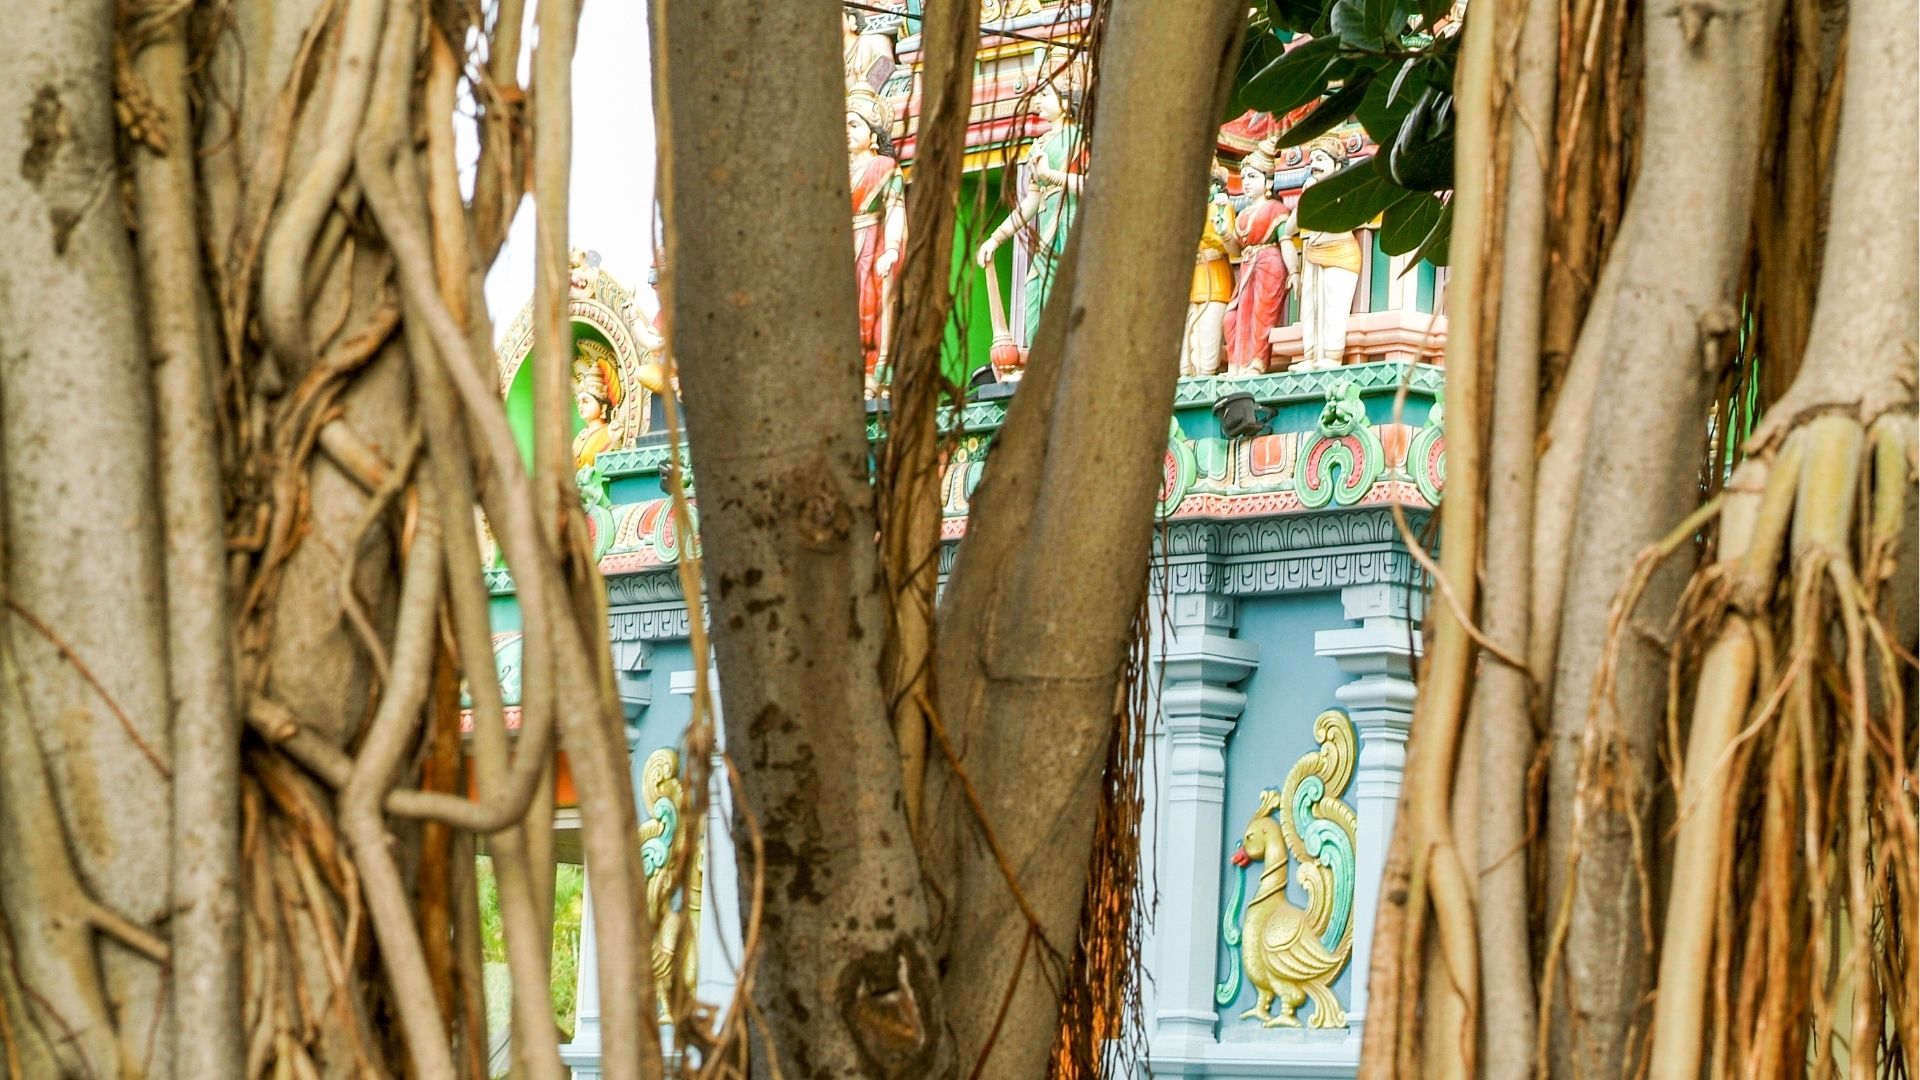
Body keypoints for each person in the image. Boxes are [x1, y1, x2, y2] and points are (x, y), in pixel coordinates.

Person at [974, 73, 1085, 350]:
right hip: (1045, 231)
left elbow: (1093, 185)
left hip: (1071, 226)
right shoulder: (1040, 143)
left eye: (1045, 95)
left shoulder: (1081, 137)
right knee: (1034, 297)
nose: (1038, 102)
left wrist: (1051, 174)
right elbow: (1030, 202)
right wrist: (996, 239)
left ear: (1065, 99)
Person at [1286, 137, 1362, 369]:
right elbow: (1289, 229)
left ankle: (1331, 357)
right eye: (1312, 160)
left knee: (1333, 308)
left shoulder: (1347, 191)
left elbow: (1338, 218)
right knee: (1311, 308)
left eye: (1320, 159)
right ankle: (1311, 358)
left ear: (1338, 165)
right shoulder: (1310, 192)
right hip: (1312, 254)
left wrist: (1318, 197)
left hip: (1340, 253)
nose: (1314, 165)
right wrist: (1305, 200)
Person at [847, 88, 905, 395]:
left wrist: (893, 248)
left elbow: (895, 209)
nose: (847, 132)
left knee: (868, 307)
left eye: (854, 125)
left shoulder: (883, 167)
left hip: (872, 243)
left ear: (873, 134)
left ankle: (872, 376)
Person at [1223, 140, 1291, 375]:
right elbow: (1235, 250)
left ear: (1268, 181)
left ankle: (1257, 363)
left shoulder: (1275, 209)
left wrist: (1294, 271)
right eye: (1244, 178)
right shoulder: (1243, 214)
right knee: (1232, 317)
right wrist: (1223, 232)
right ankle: (1236, 364)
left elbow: (1285, 239)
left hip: (1269, 265)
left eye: (1252, 177)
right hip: (1247, 265)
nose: (1247, 183)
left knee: (1261, 317)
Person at [1181, 163, 1236, 377]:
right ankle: (1185, 374)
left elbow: (1230, 245)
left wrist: (1205, 235)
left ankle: (1205, 375)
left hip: (1214, 274)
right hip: (1192, 278)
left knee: (1208, 330)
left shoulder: (1221, 208)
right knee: (1187, 332)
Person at [572, 339, 623, 468]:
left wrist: (616, 440)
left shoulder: (609, 432)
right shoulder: (579, 438)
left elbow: (615, 462)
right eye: (578, 401)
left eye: (586, 401)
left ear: (603, 406)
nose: (580, 405)